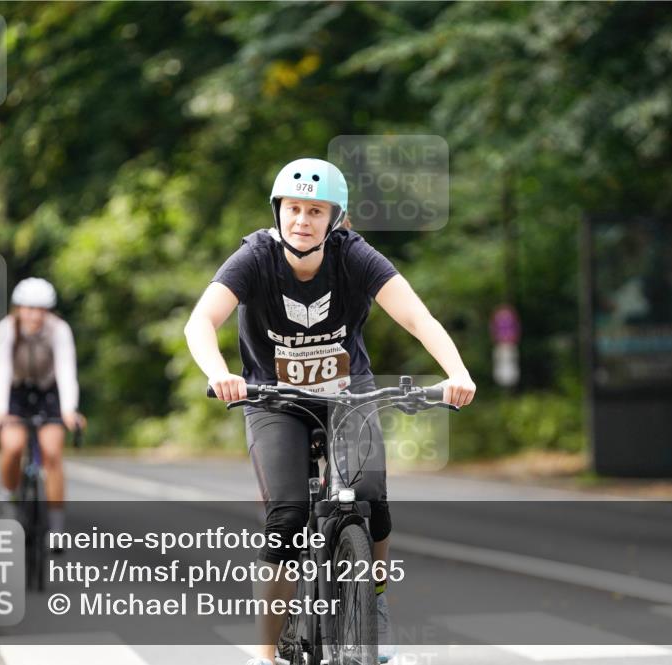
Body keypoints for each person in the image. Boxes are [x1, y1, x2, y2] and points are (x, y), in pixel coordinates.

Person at [185, 158, 475, 665]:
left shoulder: (354, 256)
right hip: (274, 399)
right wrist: (219, 373)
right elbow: (200, 322)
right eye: (293, 208)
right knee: (287, 518)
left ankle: (374, 608)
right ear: (278, 211)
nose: (302, 220)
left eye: (315, 211)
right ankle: (264, 654)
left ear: (336, 219)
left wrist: (457, 372)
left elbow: (416, 316)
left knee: (372, 501)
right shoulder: (254, 257)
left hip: (347, 395)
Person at [0, 277, 84, 548]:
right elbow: (1, 372)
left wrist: (69, 410)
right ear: (19, 308)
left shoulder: (59, 329)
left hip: (48, 392)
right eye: (29, 308)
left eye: (41, 310)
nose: (35, 315)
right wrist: (0, 412)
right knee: (12, 446)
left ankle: (56, 528)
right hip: (15, 392)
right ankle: (9, 502)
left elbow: (66, 371)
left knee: (52, 453)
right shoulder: (6, 329)